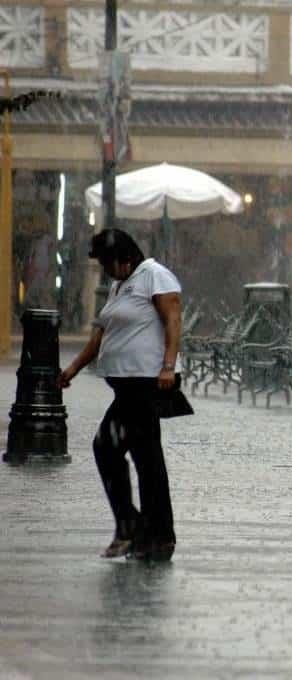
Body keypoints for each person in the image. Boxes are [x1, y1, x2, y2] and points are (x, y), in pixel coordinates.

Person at [60, 229, 187, 562]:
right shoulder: (118, 287)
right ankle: (143, 529)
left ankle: (148, 532)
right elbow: (100, 334)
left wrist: (168, 366)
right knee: (136, 454)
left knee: (118, 448)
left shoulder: (154, 275)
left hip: (147, 383)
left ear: (125, 257)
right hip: (126, 385)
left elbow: (173, 318)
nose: (105, 271)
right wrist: (73, 368)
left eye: (107, 263)